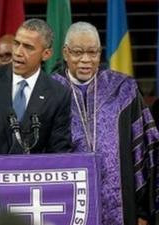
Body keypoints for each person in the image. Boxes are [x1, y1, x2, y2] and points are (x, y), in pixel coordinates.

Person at [52, 21, 159, 225]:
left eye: (93, 52)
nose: (86, 60)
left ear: (100, 53)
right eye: (77, 52)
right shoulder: (50, 92)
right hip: (67, 203)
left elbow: (145, 149)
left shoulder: (123, 89)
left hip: (121, 203)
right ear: (65, 53)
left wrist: (143, 211)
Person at [0, 18, 72, 155]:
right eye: (17, 44)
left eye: (28, 47)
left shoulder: (58, 94)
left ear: (46, 54)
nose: (18, 52)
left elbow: (59, 150)